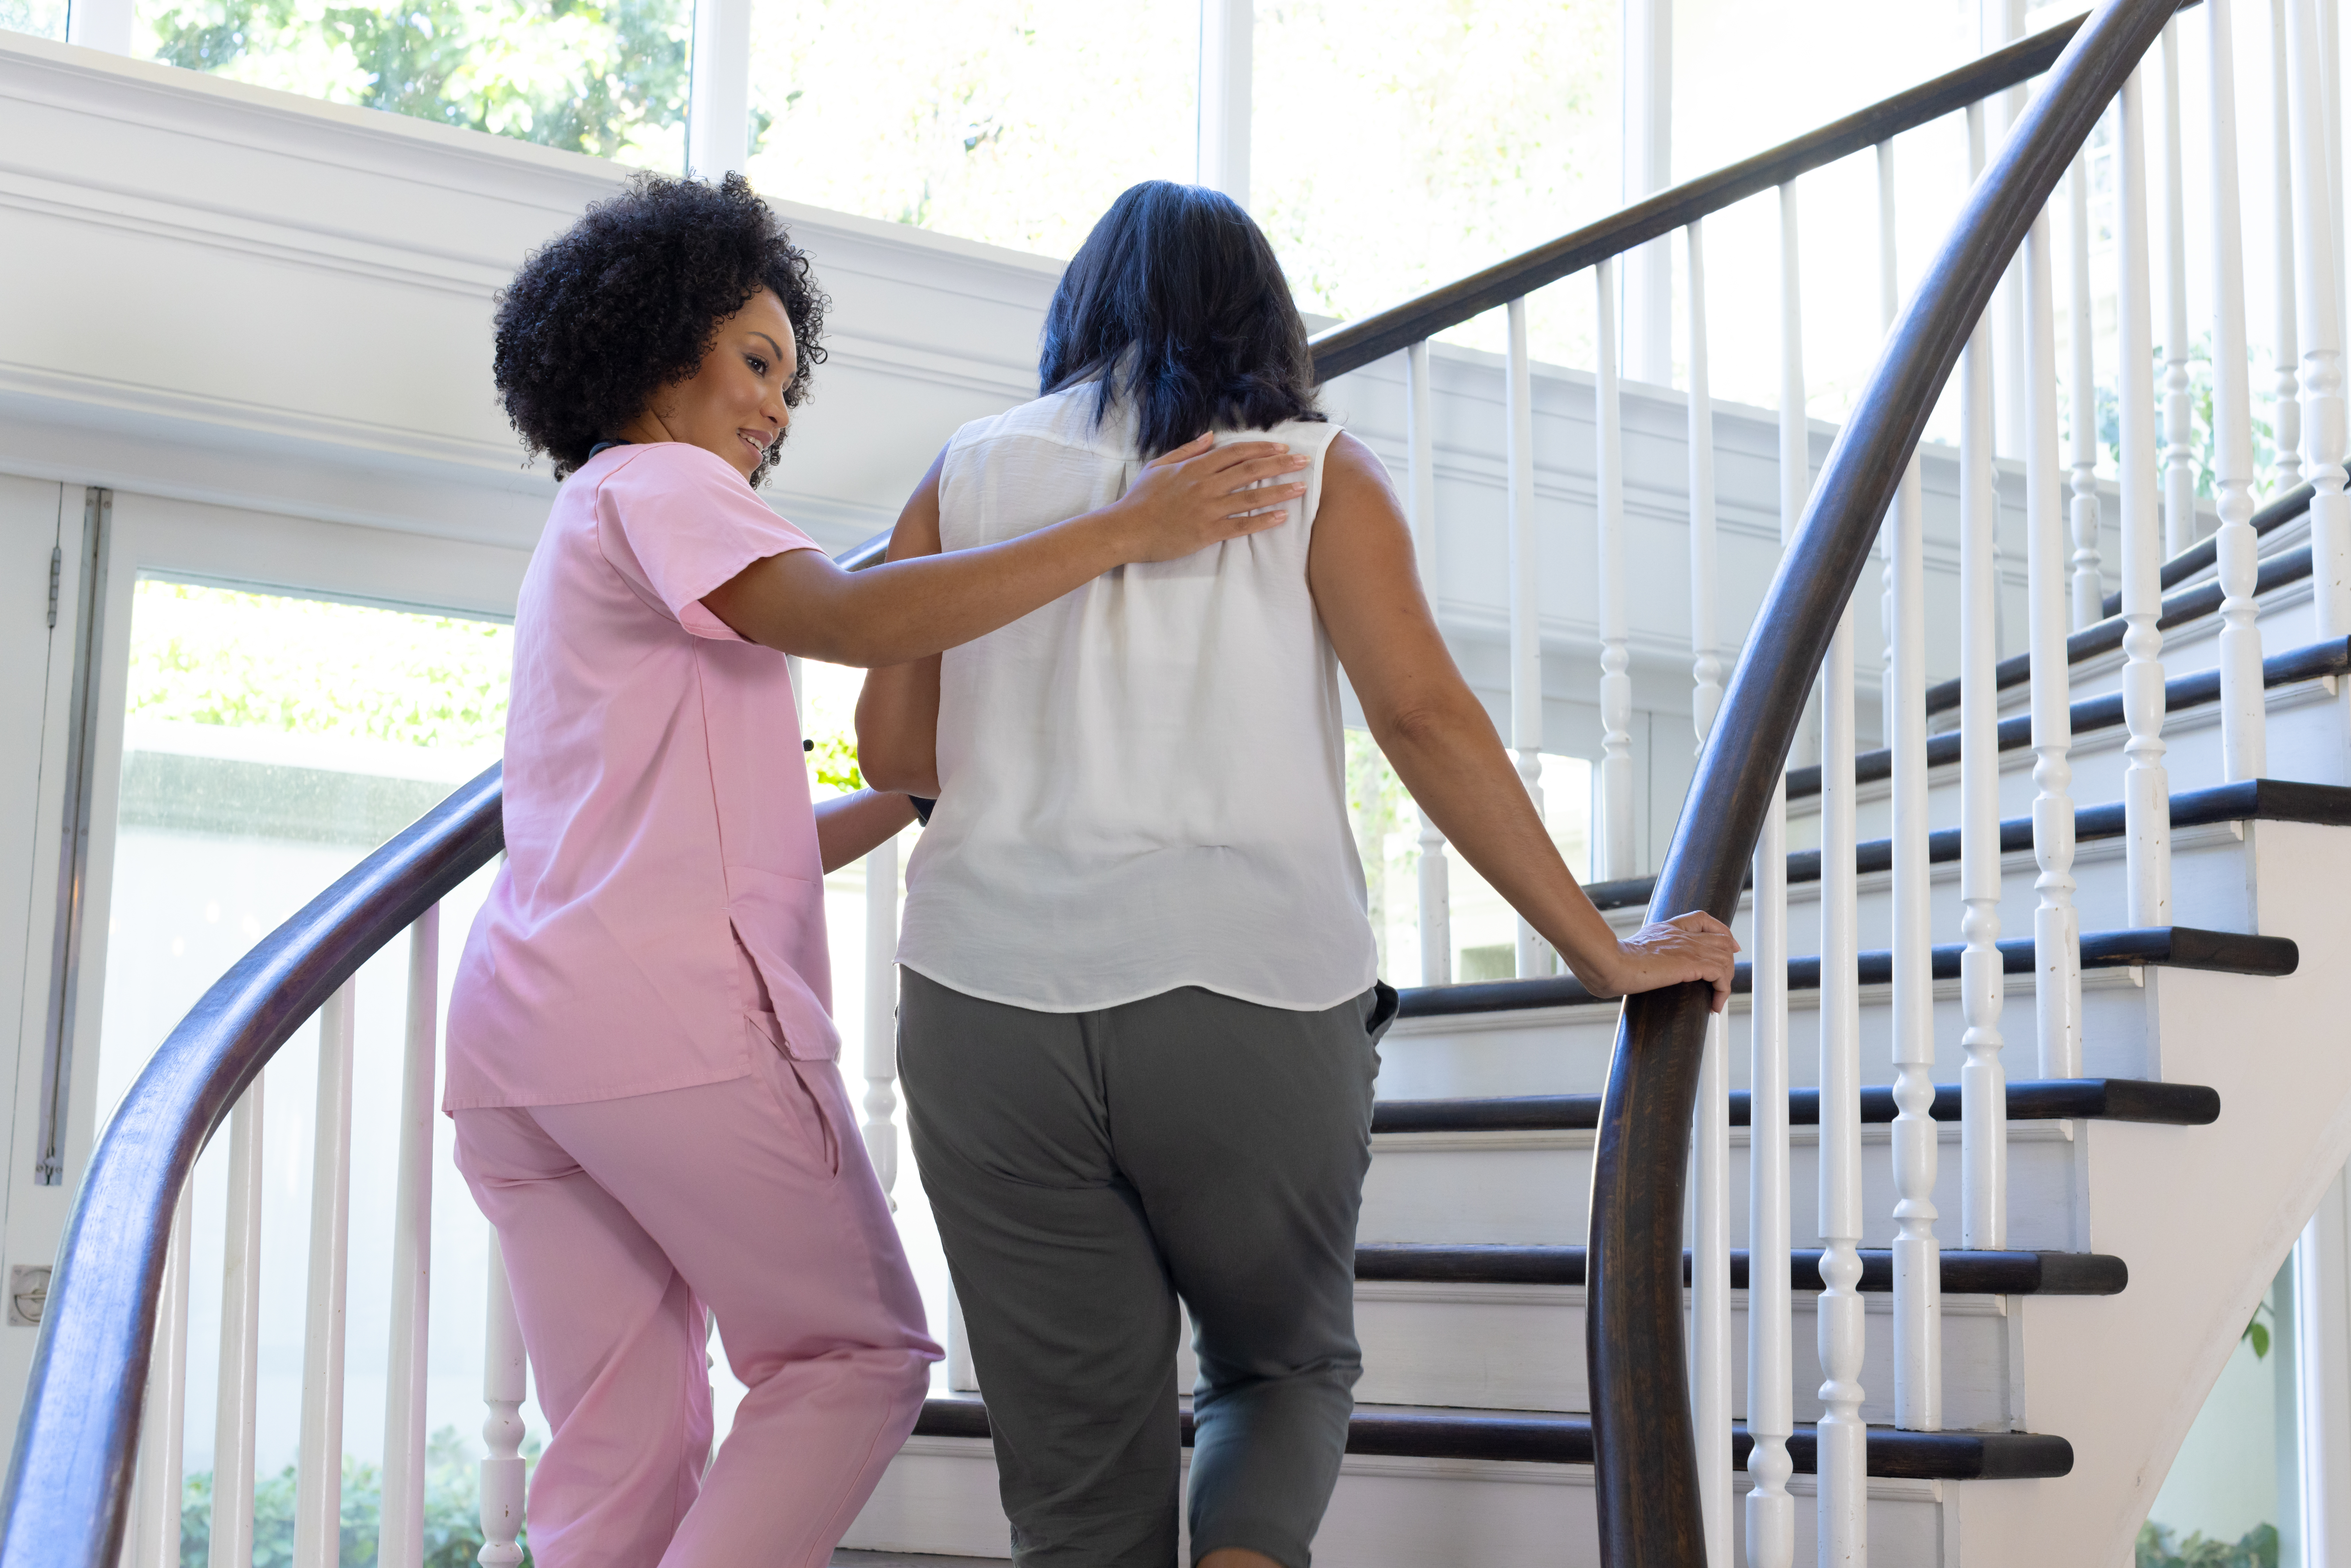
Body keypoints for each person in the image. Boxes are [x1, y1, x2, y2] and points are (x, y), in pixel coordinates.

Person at [855, 180, 1740, 1568]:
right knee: (1277, 1372)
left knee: (1077, 1485)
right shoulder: (1309, 466)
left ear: (1077, 312)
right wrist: (1601, 950)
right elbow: (1424, 719)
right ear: (1263, 318)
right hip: (1248, 987)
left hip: (984, 1000)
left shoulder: (962, 471)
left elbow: (892, 744)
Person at [444, 170, 1315, 1568]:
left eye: (789, 383)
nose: (776, 409)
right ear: (657, 343)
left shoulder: (586, 528)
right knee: (852, 1354)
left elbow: (739, 830)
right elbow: (849, 615)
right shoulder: (665, 482)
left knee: (615, 1448)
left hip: (518, 1049)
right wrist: (1127, 530)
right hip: (668, 1031)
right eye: (756, 360)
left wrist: (913, 796)